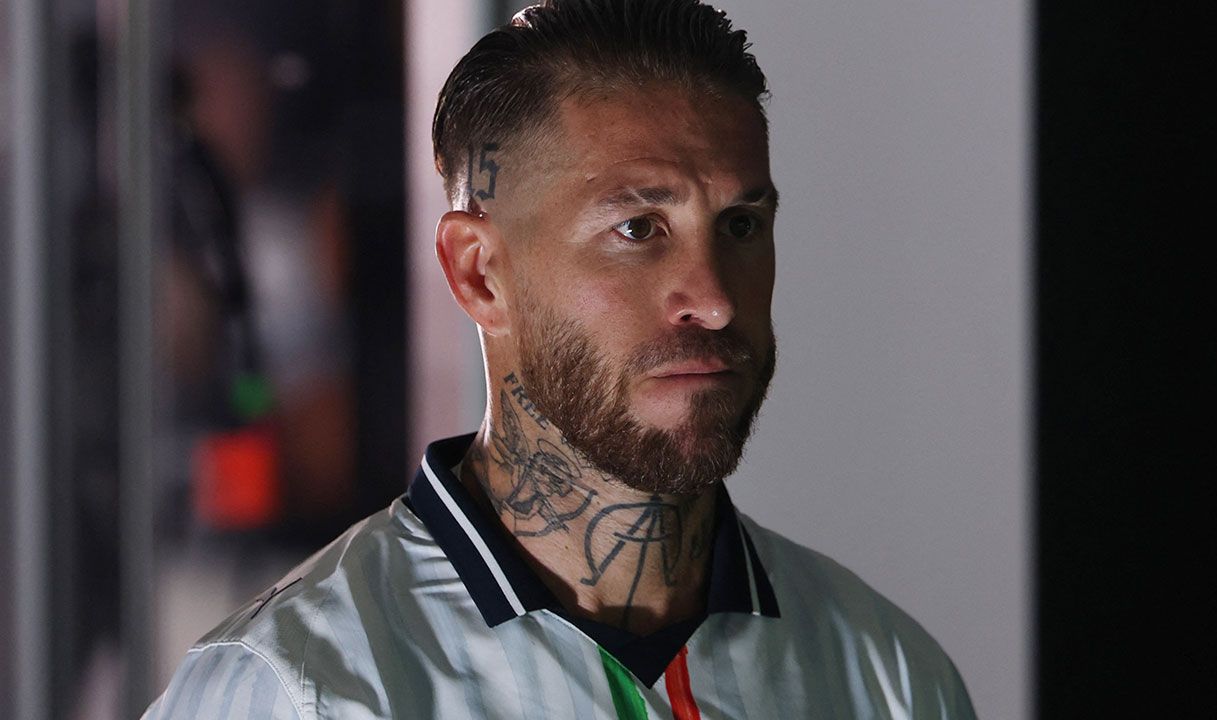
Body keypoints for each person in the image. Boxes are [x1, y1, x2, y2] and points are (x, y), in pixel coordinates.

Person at [145, 1, 977, 717]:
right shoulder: (298, 691)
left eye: (741, 225)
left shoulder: (887, 675)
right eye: (638, 228)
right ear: (480, 273)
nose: (715, 298)